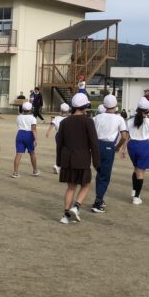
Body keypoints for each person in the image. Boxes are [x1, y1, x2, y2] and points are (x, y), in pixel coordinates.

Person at [57, 93, 100, 224]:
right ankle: (76, 206)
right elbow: (94, 143)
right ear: (85, 106)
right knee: (86, 184)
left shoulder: (64, 122)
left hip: (68, 158)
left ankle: (65, 215)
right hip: (82, 158)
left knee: (71, 187)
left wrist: (59, 161)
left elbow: (60, 143)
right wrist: (97, 162)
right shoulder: (88, 121)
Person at [90, 94, 129, 213]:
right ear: (116, 105)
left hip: (96, 145)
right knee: (104, 175)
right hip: (108, 146)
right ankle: (98, 201)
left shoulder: (97, 117)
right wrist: (117, 147)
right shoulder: (119, 118)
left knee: (99, 172)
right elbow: (124, 136)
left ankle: (99, 198)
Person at [125, 97, 149, 204]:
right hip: (143, 145)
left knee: (136, 168)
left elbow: (127, 136)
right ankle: (137, 197)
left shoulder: (129, 121)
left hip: (132, 146)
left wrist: (123, 149)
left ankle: (134, 191)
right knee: (140, 172)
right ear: (148, 110)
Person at [12, 102, 39, 178]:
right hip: (29, 135)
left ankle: (15, 172)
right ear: (31, 109)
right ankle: (35, 170)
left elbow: (18, 125)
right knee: (32, 153)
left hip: (20, 134)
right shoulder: (32, 118)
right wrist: (36, 139)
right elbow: (34, 129)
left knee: (18, 153)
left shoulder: (19, 117)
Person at [46, 103, 70, 174]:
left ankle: (57, 166)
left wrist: (48, 131)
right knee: (67, 151)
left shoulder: (56, 118)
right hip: (67, 136)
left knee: (59, 151)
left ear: (61, 110)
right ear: (68, 110)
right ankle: (65, 166)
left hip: (58, 136)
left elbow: (52, 125)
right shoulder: (69, 118)